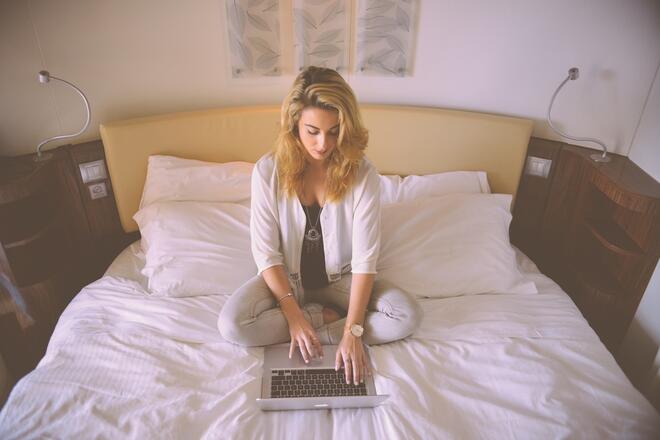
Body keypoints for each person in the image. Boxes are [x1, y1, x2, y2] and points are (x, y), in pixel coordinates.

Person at [218, 66, 421, 386]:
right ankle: (320, 319)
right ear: (294, 124)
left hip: (344, 281)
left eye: (333, 130)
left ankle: (331, 329)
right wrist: (295, 316)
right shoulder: (267, 171)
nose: (323, 143)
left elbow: (366, 260)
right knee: (233, 325)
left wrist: (353, 332)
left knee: (406, 315)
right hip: (288, 284)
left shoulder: (363, 174)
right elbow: (266, 253)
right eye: (312, 131)